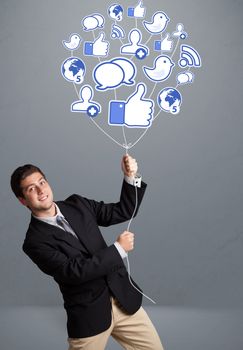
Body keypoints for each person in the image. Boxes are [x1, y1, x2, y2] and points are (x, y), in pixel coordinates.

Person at [10, 155, 163, 350]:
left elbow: (122, 211)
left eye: (42, 182)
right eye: (31, 188)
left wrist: (129, 176)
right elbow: (73, 272)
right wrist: (118, 249)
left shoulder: (78, 204)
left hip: (124, 300)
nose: (41, 190)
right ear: (23, 200)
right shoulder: (34, 242)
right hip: (89, 316)